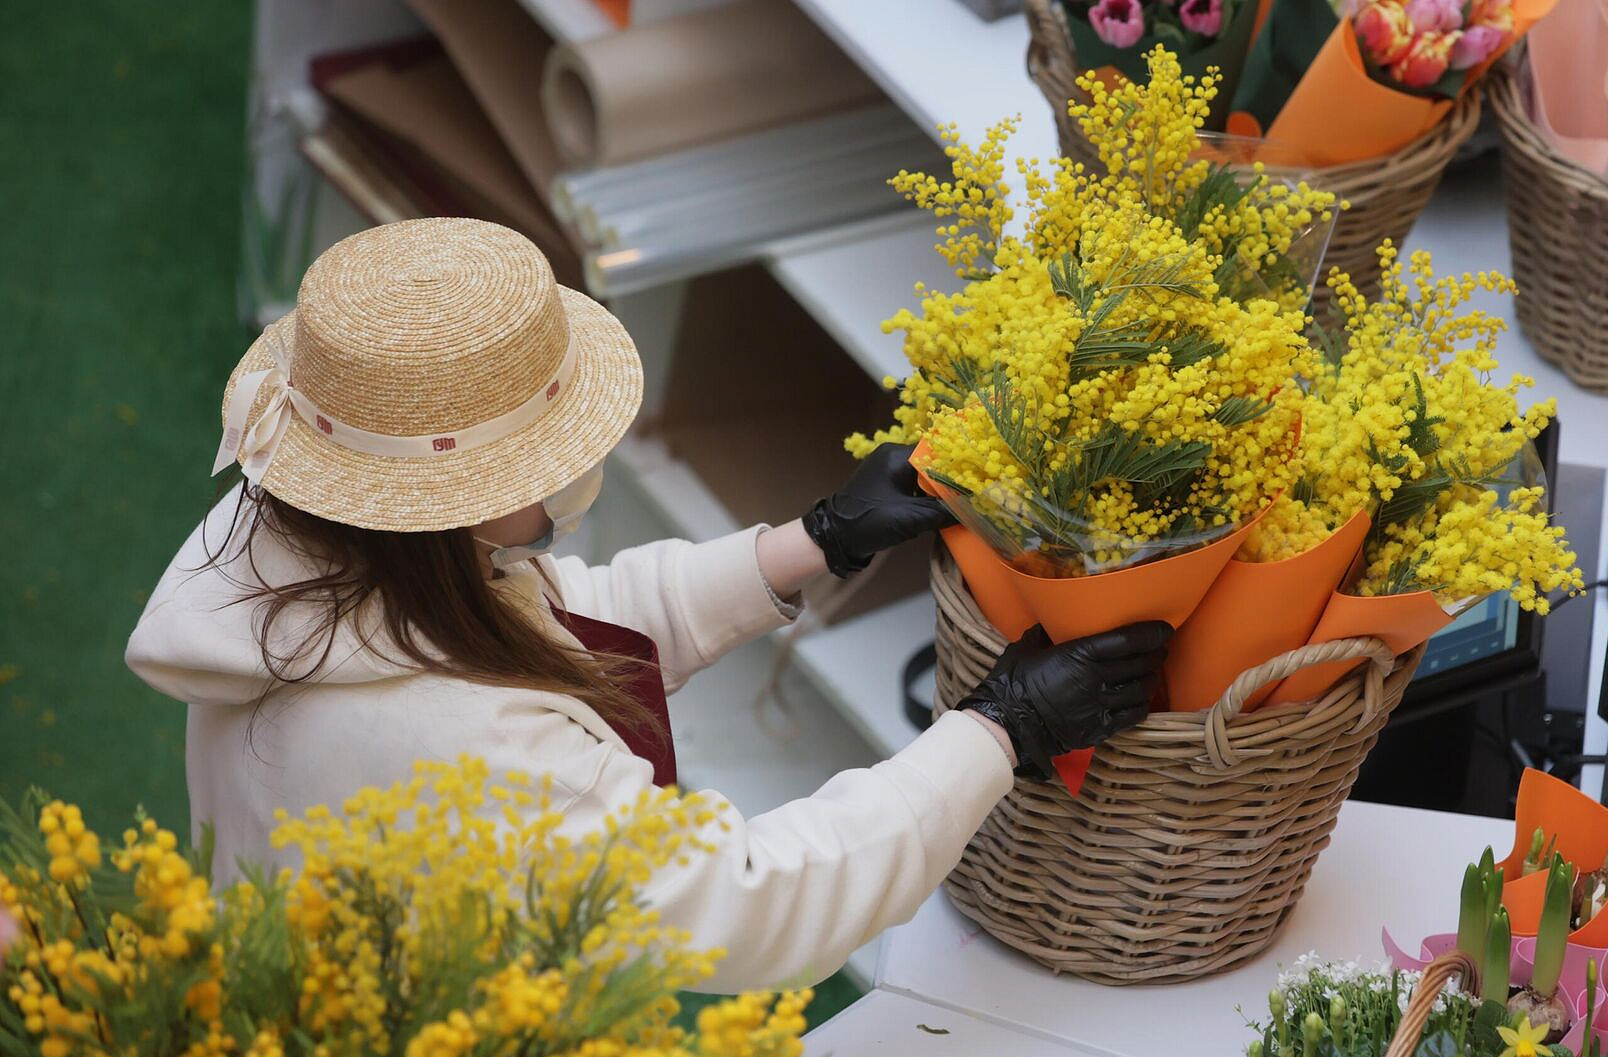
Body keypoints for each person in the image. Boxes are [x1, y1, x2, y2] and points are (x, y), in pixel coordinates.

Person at [126, 218, 1171, 991]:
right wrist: (998, 731)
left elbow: (553, 629)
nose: (569, 474)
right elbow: (751, 897)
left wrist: (812, 543)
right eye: (545, 458)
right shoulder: (477, 760)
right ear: (457, 505)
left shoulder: (301, 545)